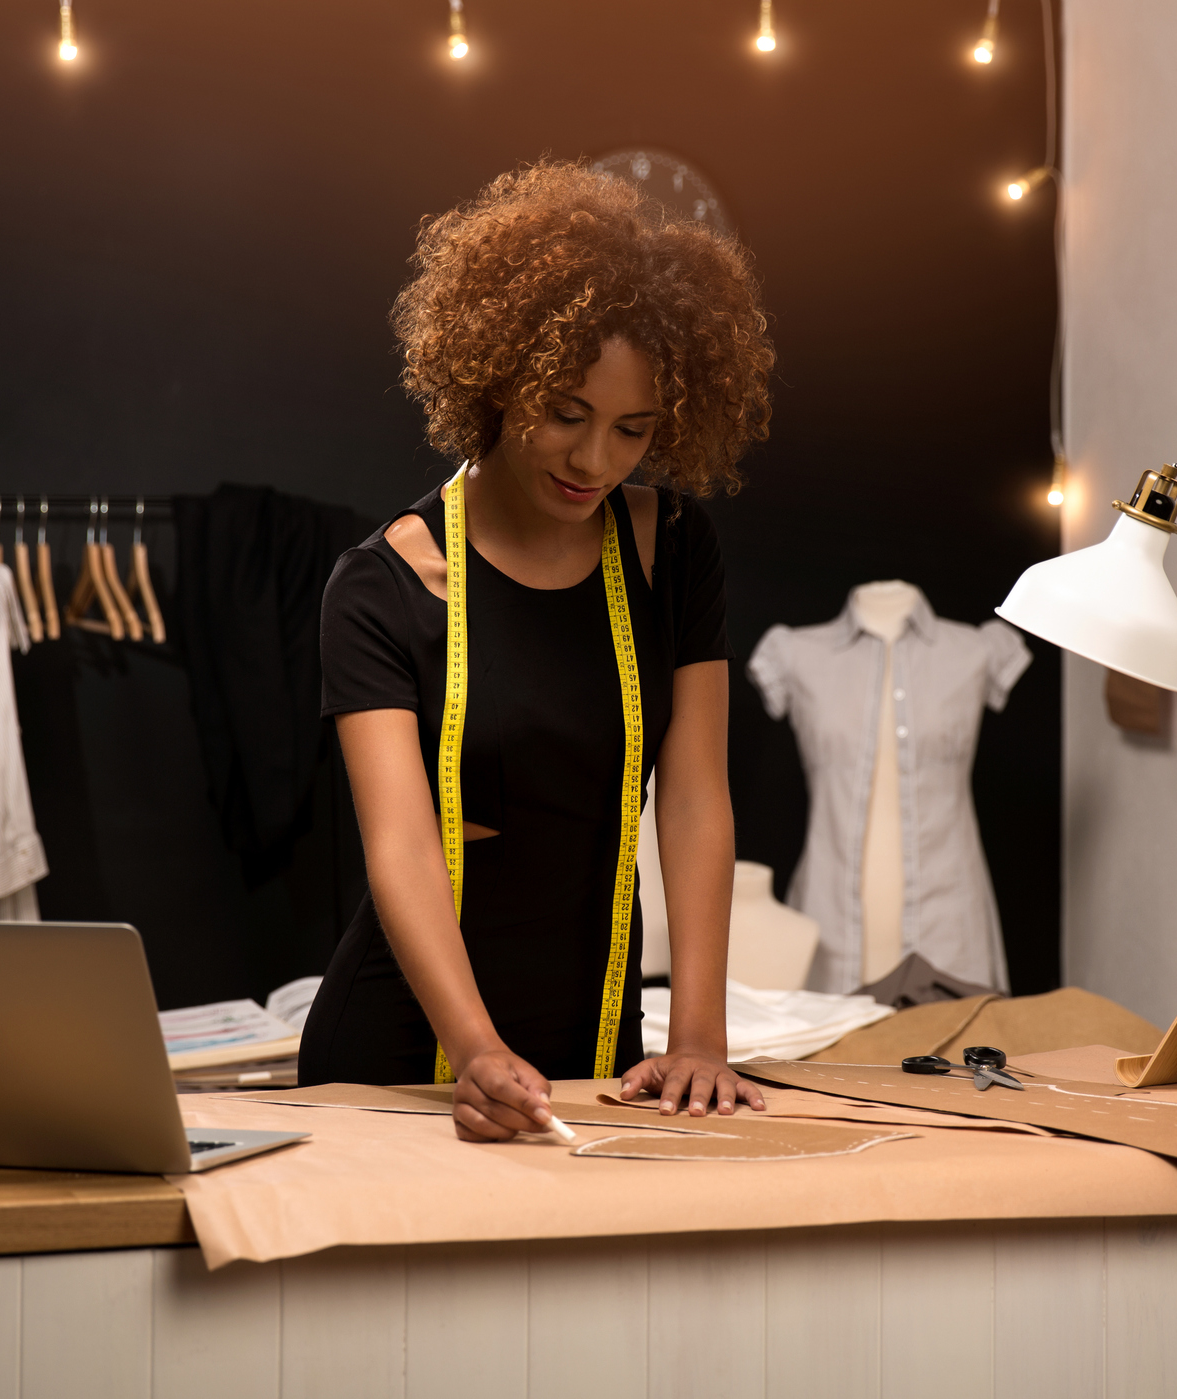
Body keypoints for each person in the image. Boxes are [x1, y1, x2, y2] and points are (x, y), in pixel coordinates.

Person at [301, 162, 777, 1142]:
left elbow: (692, 800)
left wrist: (698, 1037)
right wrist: (474, 1051)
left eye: (631, 430)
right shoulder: (381, 585)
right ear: (496, 368)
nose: (595, 460)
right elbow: (399, 847)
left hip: (594, 1050)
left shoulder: (676, 552)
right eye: (566, 413)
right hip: (406, 1059)